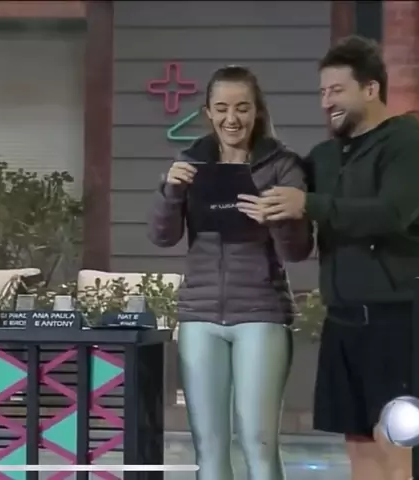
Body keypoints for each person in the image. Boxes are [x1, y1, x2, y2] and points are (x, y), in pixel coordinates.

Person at [237, 36, 419, 480]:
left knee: (397, 440)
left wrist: (308, 204)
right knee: (358, 444)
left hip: (397, 320)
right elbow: (285, 187)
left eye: (336, 90)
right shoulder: (323, 157)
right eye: (322, 92)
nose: (326, 101)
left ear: (371, 89)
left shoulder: (409, 144)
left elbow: (392, 213)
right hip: (342, 320)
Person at [148, 65, 313, 480]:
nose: (231, 118)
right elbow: (163, 237)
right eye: (221, 108)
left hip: (260, 313)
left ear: (257, 111)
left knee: (259, 443)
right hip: (199, 316)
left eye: (242, 107)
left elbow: (297, 251)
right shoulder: (191, 163)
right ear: (208, 113)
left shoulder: (283, 165)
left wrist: (276, 218)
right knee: (209, 448)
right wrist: (171, 191)